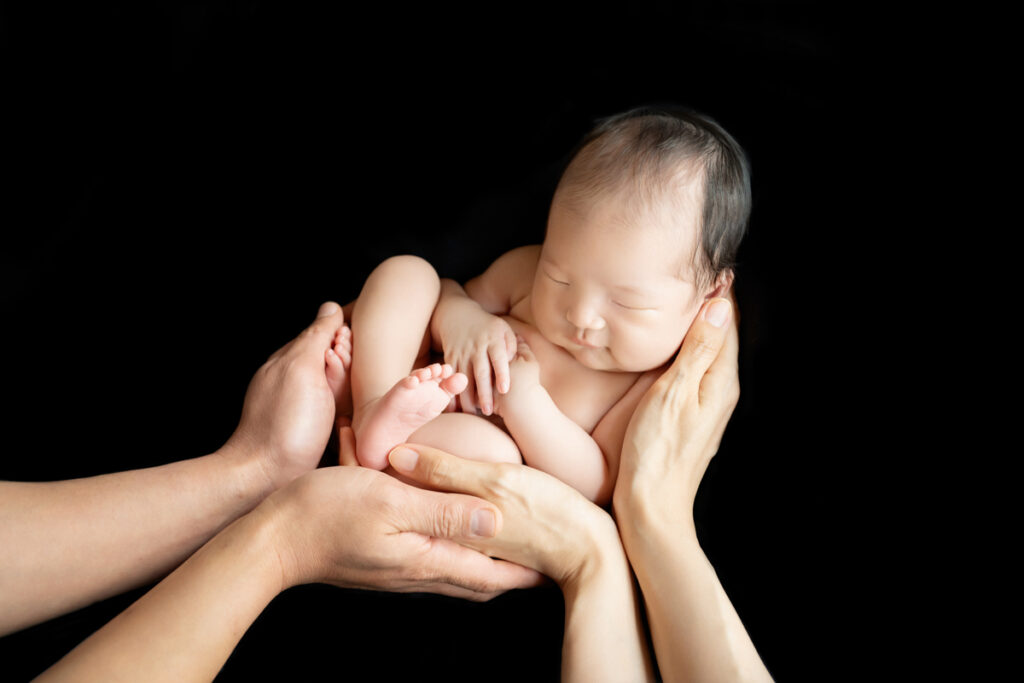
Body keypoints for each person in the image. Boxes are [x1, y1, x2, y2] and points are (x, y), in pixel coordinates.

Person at [340, 106, 751, 504]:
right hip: (410, 377)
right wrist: (461, 318)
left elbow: (598, 481)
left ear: (711, 292)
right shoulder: (525, 270)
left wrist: (524, 402)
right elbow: (448, 295)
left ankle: (382, 449)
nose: (581, 315)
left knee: (496, 455)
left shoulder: (653, 383)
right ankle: (372, 403)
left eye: (628, 303)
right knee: (409, 273)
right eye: (560, 278)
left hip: (454, 438)